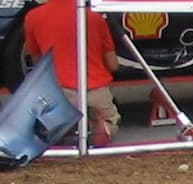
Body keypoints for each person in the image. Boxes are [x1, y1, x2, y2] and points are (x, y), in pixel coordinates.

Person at [23, 0, 121, 145]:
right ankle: (103, 126)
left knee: (51, 122)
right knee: (110, 118)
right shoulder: (94, 17)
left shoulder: (33, 17)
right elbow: (113, 65)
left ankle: (65, 126)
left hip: (59, 90)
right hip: (95, 88)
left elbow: (39, 65)